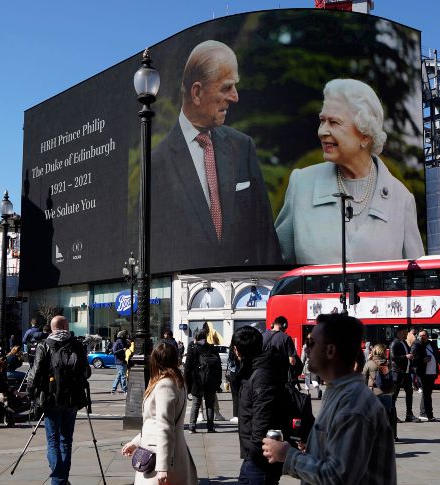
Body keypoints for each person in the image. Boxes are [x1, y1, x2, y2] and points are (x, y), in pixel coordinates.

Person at [150, 39, 282, 271]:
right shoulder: (158, 163)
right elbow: (156, 250)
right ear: (197, 93)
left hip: (248, 293)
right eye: (226, 88)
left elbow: (265, 236)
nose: (235, 97)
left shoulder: (243, 147)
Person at [274, 78, 424, 264]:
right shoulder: (301, 184)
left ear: (365, 135)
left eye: (334, 123)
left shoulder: (401, 200)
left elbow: (417, 281)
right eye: (322, 121)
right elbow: (277, 268)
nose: (322, 131)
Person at [261, 313, 396, 484]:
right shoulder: (338, 392)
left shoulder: (352, 404)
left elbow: (338, 477)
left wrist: (288, 455)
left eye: (311, 343)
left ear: (330, 350)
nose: (306, 349)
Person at [122, 341, 197, 485]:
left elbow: (164, 426)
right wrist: (135, 442)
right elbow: (153, 422)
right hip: (167, 452)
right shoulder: (177, 381)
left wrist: (163, 466)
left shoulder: (165, 385)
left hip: (159, 457)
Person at [27, 315, 91, 485]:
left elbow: (35, 372)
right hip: (73, 400)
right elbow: (86, 372)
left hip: (51, 399)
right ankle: (63, 479)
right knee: (66, 441)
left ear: (52, 328)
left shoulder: (44, 345)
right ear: (66, 326)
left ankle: (58, 480)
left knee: (53, 440)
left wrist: (31, 393)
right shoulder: (77, 345)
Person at [233, 325, 287, 485]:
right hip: (254, 455)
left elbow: (262, 416)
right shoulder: (253, 370)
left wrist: (256, 449)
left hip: (260, 458)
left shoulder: (261, 375)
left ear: (237, 350)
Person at [184, 329, 220, 433]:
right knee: (210, 404)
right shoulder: (212, 348)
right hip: (210, 381)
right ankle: (210, 427)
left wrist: (187, 384)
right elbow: (217, 367)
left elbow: (187, 369)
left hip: (197, 381)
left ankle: (192, 426)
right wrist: (217, 383)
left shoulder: (193, 349)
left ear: (196, 338)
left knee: (196, 403)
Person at [410, 330, 440, 422]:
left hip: (432, 372)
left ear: (427, 336)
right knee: (427, 393)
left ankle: (424, 413)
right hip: (422, 372)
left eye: (423, 335)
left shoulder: (431, 344)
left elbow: (439, 356)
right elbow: (413, 359)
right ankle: (426, 414)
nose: (421, 337)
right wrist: (422, 360)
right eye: (420, 335)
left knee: (427, 393)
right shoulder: (416, 344)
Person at [362, 343, 397, 440]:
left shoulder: (370, 363)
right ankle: (390, 435)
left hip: (374, 394)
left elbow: (363, 378)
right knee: (388, 414)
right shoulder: (387, 363)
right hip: (387, 393)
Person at [389, 328, 417, 423]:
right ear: (398, 333)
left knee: (409, 392)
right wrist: (406, 356)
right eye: (403, 332)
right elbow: (393, 358)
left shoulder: (404, 342)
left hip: (406, 371)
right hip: (397, 372)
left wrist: (412, 355)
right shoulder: (394, 343)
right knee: (394, 395)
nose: (405, 334)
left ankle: (409, 415)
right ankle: (393, 416)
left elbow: (408, 353)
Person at [262, 316, 297, 383]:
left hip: (263, 374)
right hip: (279, 377)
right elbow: (292, 361)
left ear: (273, 324)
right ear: (284, 325)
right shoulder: (286, 338)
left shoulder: (262, 336)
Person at [111, 330, 130, 394]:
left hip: (123, 361)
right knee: (123, 376)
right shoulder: (117, 343)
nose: (126, 337)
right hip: (119, 362)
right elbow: (114, 352)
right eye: (125, 335)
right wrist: (122, 350)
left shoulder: (123, 342)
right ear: (122, 336)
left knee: (119, 375)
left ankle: (114, 389)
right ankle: (125, 389)